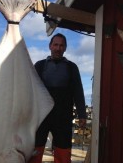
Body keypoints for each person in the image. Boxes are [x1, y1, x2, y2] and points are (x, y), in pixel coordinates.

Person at [29, 33, 87, 163]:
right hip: (41, 117)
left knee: (63, 152)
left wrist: (82, 115)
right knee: (34, 152)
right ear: (50, 46)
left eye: (61, 45)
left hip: (63, 117)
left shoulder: (72, 67)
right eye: (55, 45)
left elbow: (78, 91)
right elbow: (30, 89)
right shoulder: (39, 65)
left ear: (65, 48)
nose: (58, 48)